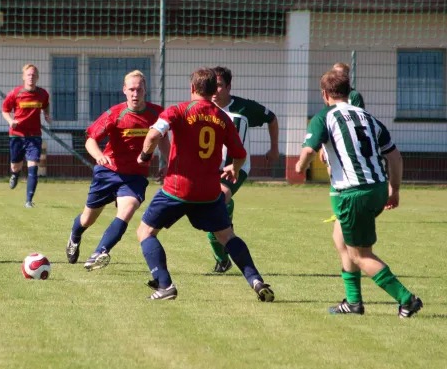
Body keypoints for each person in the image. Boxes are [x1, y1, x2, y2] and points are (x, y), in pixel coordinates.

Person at [135, 67, 275, 301]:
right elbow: (239, 154)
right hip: (210, 192)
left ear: (192, 88)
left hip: (177, 189)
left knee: (146, 232)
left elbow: (152, 136)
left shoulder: (178, 110)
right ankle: (256, 280)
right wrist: (235, 168)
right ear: (213, 91)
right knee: (227, 236)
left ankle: (165, 284)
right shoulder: (222, 117)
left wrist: (145, 156)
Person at [295, 70, 423, 317]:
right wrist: (394, 190)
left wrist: (300, 167)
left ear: (324, 94)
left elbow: (310, 150)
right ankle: (353, 303)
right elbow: (394, 156)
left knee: (360, 254)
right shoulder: (367, 117)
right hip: (377, 187)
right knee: (340, 238)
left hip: (354, 193)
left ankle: (407, 299)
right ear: (348, 91)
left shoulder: (324, 117)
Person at [65, 70, 169, 271]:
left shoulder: (157, 113)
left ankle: (99, 252)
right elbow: (90, 139)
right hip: (108, 173)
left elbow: (163, 137)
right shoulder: (115, 113)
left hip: (135, 176)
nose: (135, 93)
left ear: (145, 90)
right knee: (87, 219)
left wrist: (167, 163)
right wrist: (99, 156)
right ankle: (75, 236)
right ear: (124, 90)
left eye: (139, 89)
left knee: (127, 211)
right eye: (131, 89)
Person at [206, 66, 279, 273]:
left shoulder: (244, 108)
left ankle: (224, 218)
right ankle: (223, 259)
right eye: (212, 85)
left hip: (236, 168)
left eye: (219, 85)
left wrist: (274, 148)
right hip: (208, 169)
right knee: (210, 214)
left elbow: (271, 118)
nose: (215, 90)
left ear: (229, 86)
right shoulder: (202, 108)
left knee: (217, 203)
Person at [2, 64, 51, 208]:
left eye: (34, 75)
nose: (31, 77)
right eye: (29, 74)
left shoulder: (42, 94)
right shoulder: (15, 93)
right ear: (23, 77)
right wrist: (11, 121)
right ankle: (15, 174)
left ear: (37, 77)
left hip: (34, 136)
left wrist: (46, 114)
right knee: (16, 165)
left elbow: (45, 104)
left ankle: (29, 200)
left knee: (33, 167)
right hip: (17, 136)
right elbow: (5, 110)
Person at [323, 62, 365, 224]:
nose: (338, 76)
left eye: (341, 74)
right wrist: (322, 145)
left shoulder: (354, 96)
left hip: (347, 140)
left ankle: (349, 208)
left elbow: (358, 119)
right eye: (335, 73)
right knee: (332, 171)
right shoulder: (330, 95)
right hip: (332, 139)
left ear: (347, 76)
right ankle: (338, 211)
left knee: (346, 173)